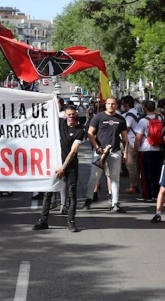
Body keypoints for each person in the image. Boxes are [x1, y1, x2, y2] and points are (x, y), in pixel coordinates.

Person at [32, 104, 85, 232]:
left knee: (71, 194)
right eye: (69, 115)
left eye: (73, 115)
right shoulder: (59, 123)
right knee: (48, 193)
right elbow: (45, 114)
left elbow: (73, 152)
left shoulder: (80, 131)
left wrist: (63, 167)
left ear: (76, 114)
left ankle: (71, 222)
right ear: (65, 115)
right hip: (55, 165)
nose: (71, 117)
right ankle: (43, 221)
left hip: (70, 166)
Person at [82, 97, 129, 212]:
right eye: (108, 103)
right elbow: (90, 133)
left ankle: (115, 203)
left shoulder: (121, 119)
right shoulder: (98, 117)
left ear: (117, 105)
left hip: (115, 152)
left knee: (115, 178)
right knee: (94, 176)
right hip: (100, 152)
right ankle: (88, 199)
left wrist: (125, 152)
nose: (111, 106)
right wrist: (97, 147)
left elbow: (125, 138)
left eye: (113, 104)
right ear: (106, 105)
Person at [133, 100, 162, 202]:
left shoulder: (143, 121)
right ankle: (157, 194)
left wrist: (135, 150)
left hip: (145, 150)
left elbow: (138, 137)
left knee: (145, 174)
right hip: (158, 149)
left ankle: (147, 195)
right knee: (156, 173)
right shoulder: (160, 118)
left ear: (145, 108)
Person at [121, 95, 140, 195]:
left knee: (130, 165)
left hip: (131, 142)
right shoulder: (136, 112)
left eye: (123, 104)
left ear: (126, 104)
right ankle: (135, 184)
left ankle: (134, 186)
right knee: (135, 165)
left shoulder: (129, 115)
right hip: (136, 141)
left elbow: (126, 128)